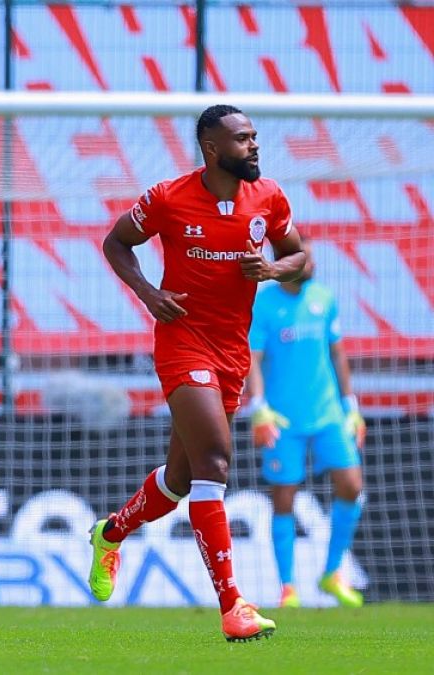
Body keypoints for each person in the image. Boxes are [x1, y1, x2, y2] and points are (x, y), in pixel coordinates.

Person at [96, 104, 307, 642]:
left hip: (233, 350)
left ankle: (111, 533)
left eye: (255, 136)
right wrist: (149, 294)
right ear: (212, 149)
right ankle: (233, 606)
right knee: (216, 460)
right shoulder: (168, 197)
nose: (254, 146)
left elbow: (299, 257)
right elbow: (115, 242)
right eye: (242, 139)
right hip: (182, 341)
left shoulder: (269, 197)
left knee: (181, 480)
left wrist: (273, 269)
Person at [246, 236, 366, 609]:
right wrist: (259, 407)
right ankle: (287, 588)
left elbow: (337, 352)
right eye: (306, 258)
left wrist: (351, 405)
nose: (312, 264)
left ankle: (332, 573)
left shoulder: (324, 298)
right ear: (286, 262)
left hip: (328, 413)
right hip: (283, 419)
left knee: (351, 486)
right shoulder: (264, 304)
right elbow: (252, 358)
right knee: (284, 499)